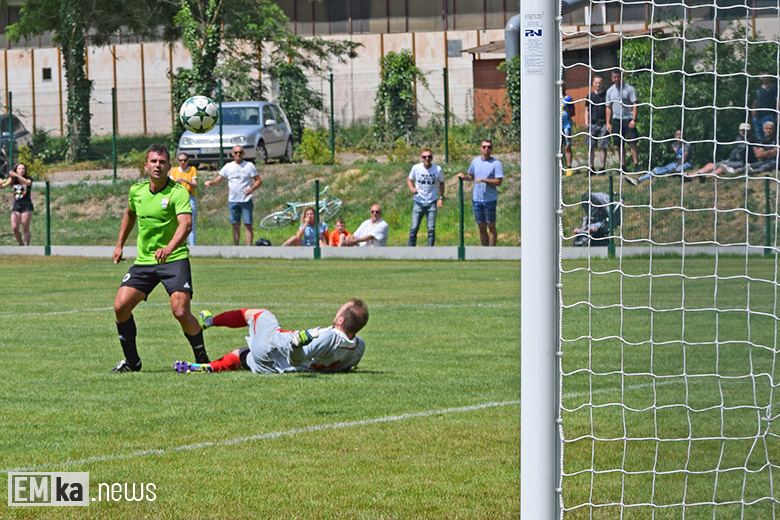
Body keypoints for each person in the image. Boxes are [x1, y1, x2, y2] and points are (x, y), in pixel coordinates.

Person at [111, 144, 209, 373]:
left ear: (169, 167)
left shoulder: (178, 192)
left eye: (162, 162)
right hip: (145, 261)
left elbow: (186, 225)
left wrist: (169, 248)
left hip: (174, 258)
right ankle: (132, 362)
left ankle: (203, 359)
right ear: (146, 166)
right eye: (154, 161)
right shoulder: (137, 191)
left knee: (181, 311)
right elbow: (129, 214)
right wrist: (119, 245)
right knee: (120, 307)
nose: (158, 165)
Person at [172, 299, 368, 375]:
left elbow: (297, 357)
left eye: (339, 309)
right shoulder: (358, 349)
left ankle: (209, 321)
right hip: (274, 368)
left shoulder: (327, 337)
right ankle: (210, 367)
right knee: (241, 354)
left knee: (258, 314)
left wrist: (297, 344)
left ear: (341, 320)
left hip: (273, 345)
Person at [204, 145, 262, 246]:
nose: (238, 154)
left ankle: (249, 248)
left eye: (240, 152)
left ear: (243, 154)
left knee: (248, 224)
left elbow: (258, 180)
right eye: (236, 152)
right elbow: (219, 179)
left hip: (246, 200)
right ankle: (236, 248)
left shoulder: (249, 166)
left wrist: (252, 189)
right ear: (232, 154)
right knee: (235, 225)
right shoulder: (228, 166)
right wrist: (211, 183)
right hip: (233, 200)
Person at [457, 140, 504, 246]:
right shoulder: (475, 162)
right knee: (481, 227)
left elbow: (498, 182)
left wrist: (484, 180)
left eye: (489, 147)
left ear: (492, 149)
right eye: (484, 147)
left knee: (491, 226)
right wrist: (464, 177)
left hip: (489, 200)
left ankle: (491, 251)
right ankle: (484, 250)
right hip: (477, 200)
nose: (486, 149)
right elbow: (471, 176)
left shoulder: (496, 164)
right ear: (480, 148)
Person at [687, 122, 755, 181]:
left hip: (741, 162)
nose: (743, 132)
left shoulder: (752, 140)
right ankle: (692, 175)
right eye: (742, 130)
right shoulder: (738, 139)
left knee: (722, 167)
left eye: (745, 130)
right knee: (710, 165)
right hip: (731, 160)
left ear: (749, 131)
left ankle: (706, 177)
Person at [407, 148, 444, 246]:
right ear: (421, 158)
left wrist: (441, 198)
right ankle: (410, 249)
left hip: (431, 202)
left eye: (429, 157)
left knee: (431, 228)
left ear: (432, 158)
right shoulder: (416, 168)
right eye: (424, 157)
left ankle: (430, 250)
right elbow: (409, 179)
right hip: (418, 201)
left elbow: (441, 183)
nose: (427, 159)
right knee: (414, 227)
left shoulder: (437, 169)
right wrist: (412, 188)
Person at [627, 129, 692, 185]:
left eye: (680, 135)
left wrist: (675, 167)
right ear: (675, 136)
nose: (679, 137)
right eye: (677, 135)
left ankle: (685, 177)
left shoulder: (686, 144)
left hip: (687, 163)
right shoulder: (674, 145)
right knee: (657, 169)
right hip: (676, 162)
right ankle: (639, 180)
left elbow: (684, 159)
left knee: (677, 170)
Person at [606, 69, 640, 173]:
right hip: (616, 120)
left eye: (618, 77)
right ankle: (622, 165)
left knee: (632, 142)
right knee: (619, 144)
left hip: (628, 119)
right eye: (615, 77)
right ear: (612, 78)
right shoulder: (610, 91)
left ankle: (636, 165)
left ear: (622, 77)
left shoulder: (630, 89)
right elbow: (608, 107)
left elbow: (635, 104)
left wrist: (634, 119)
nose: (617, 79)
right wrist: (608, 122)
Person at [0, 162, 33, 246]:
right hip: (17, 206)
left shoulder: (28, 178)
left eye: (23, 169)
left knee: (25, 227)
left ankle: (27, 247)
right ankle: (21, 244)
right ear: (16, 170)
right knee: (14, 227)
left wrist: (16, 175)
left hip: (27, 205)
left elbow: (27, 183)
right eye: (19, 169)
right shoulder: (13, 179)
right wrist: (1, 183)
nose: (21, 170)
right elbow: (3, 186)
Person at [169, 153, 198, 246]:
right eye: (180, 160)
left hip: (189, 197)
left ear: (188, 161)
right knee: (178, 223)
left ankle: (192, 245)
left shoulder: (192, 169)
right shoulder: (174, 170)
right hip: (177, 197)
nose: (182, 162)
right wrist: (176, 182)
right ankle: (179, 244)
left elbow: (195, 185)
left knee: (190, 223)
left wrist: (186, 181)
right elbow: (169, 184)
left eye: (184, 160)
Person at [586, 75, 609, 173]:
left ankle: (603, 167)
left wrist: (608, 122)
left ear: (602, 84)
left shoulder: (606, 95)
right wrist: (586, 122)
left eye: (600, 83)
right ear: (593, 84)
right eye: (596, 83)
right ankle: (591, 167)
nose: (598, 85)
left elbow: (608, 109)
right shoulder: (590, 96)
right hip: (592, 123)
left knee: (603, 146)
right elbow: (586, 110)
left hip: (603, 123)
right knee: (591, 146)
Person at [751, 73, 778, 139]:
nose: (764, 78)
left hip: (769, 114)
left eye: (766, 76)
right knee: (758, 134)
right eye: (763, 76)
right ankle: (761, 144)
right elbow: (755, 103)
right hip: (758, 116)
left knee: (768, 133)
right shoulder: (757, 89)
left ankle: (768, 145)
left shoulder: (774, 87)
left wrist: (778, 114)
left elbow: (778, 100)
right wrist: (753, 116)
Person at [561, 83, 575, 175]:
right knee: (558, 148)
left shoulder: (568, 98)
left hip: (566, 126)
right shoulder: (553, 97)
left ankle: (569, 167)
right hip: (557, 127)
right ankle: (560, 168)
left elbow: (573, 112)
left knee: (567, 146)